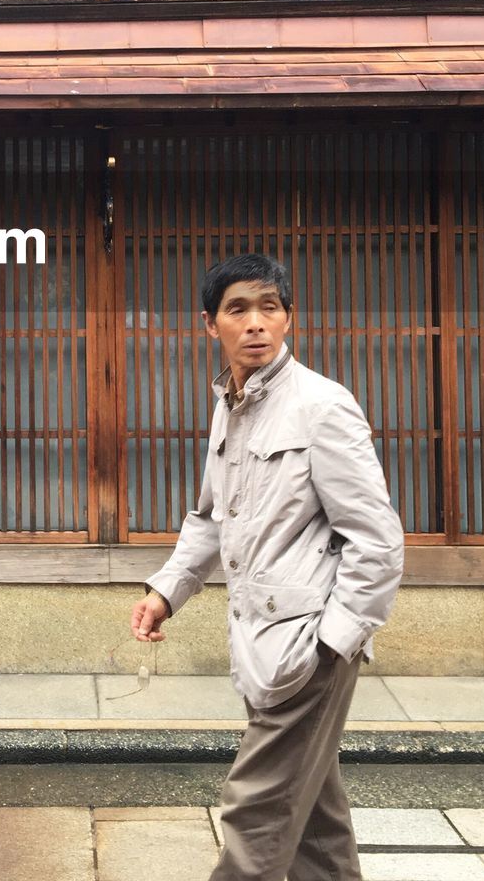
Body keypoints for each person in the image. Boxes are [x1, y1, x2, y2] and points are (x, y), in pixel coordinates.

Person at [131, 254, 404, 881]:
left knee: (254, 813)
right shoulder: (232, 405)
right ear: (211, 324)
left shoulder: (321, 405)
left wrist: (334, 643)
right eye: (238, 309)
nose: (255, 323)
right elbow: (210, 518)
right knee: (312, 821)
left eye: (269, 308)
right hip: (263, 643)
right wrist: (166, 592)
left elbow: (378, 541)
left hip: (307, 648)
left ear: (288, 319)